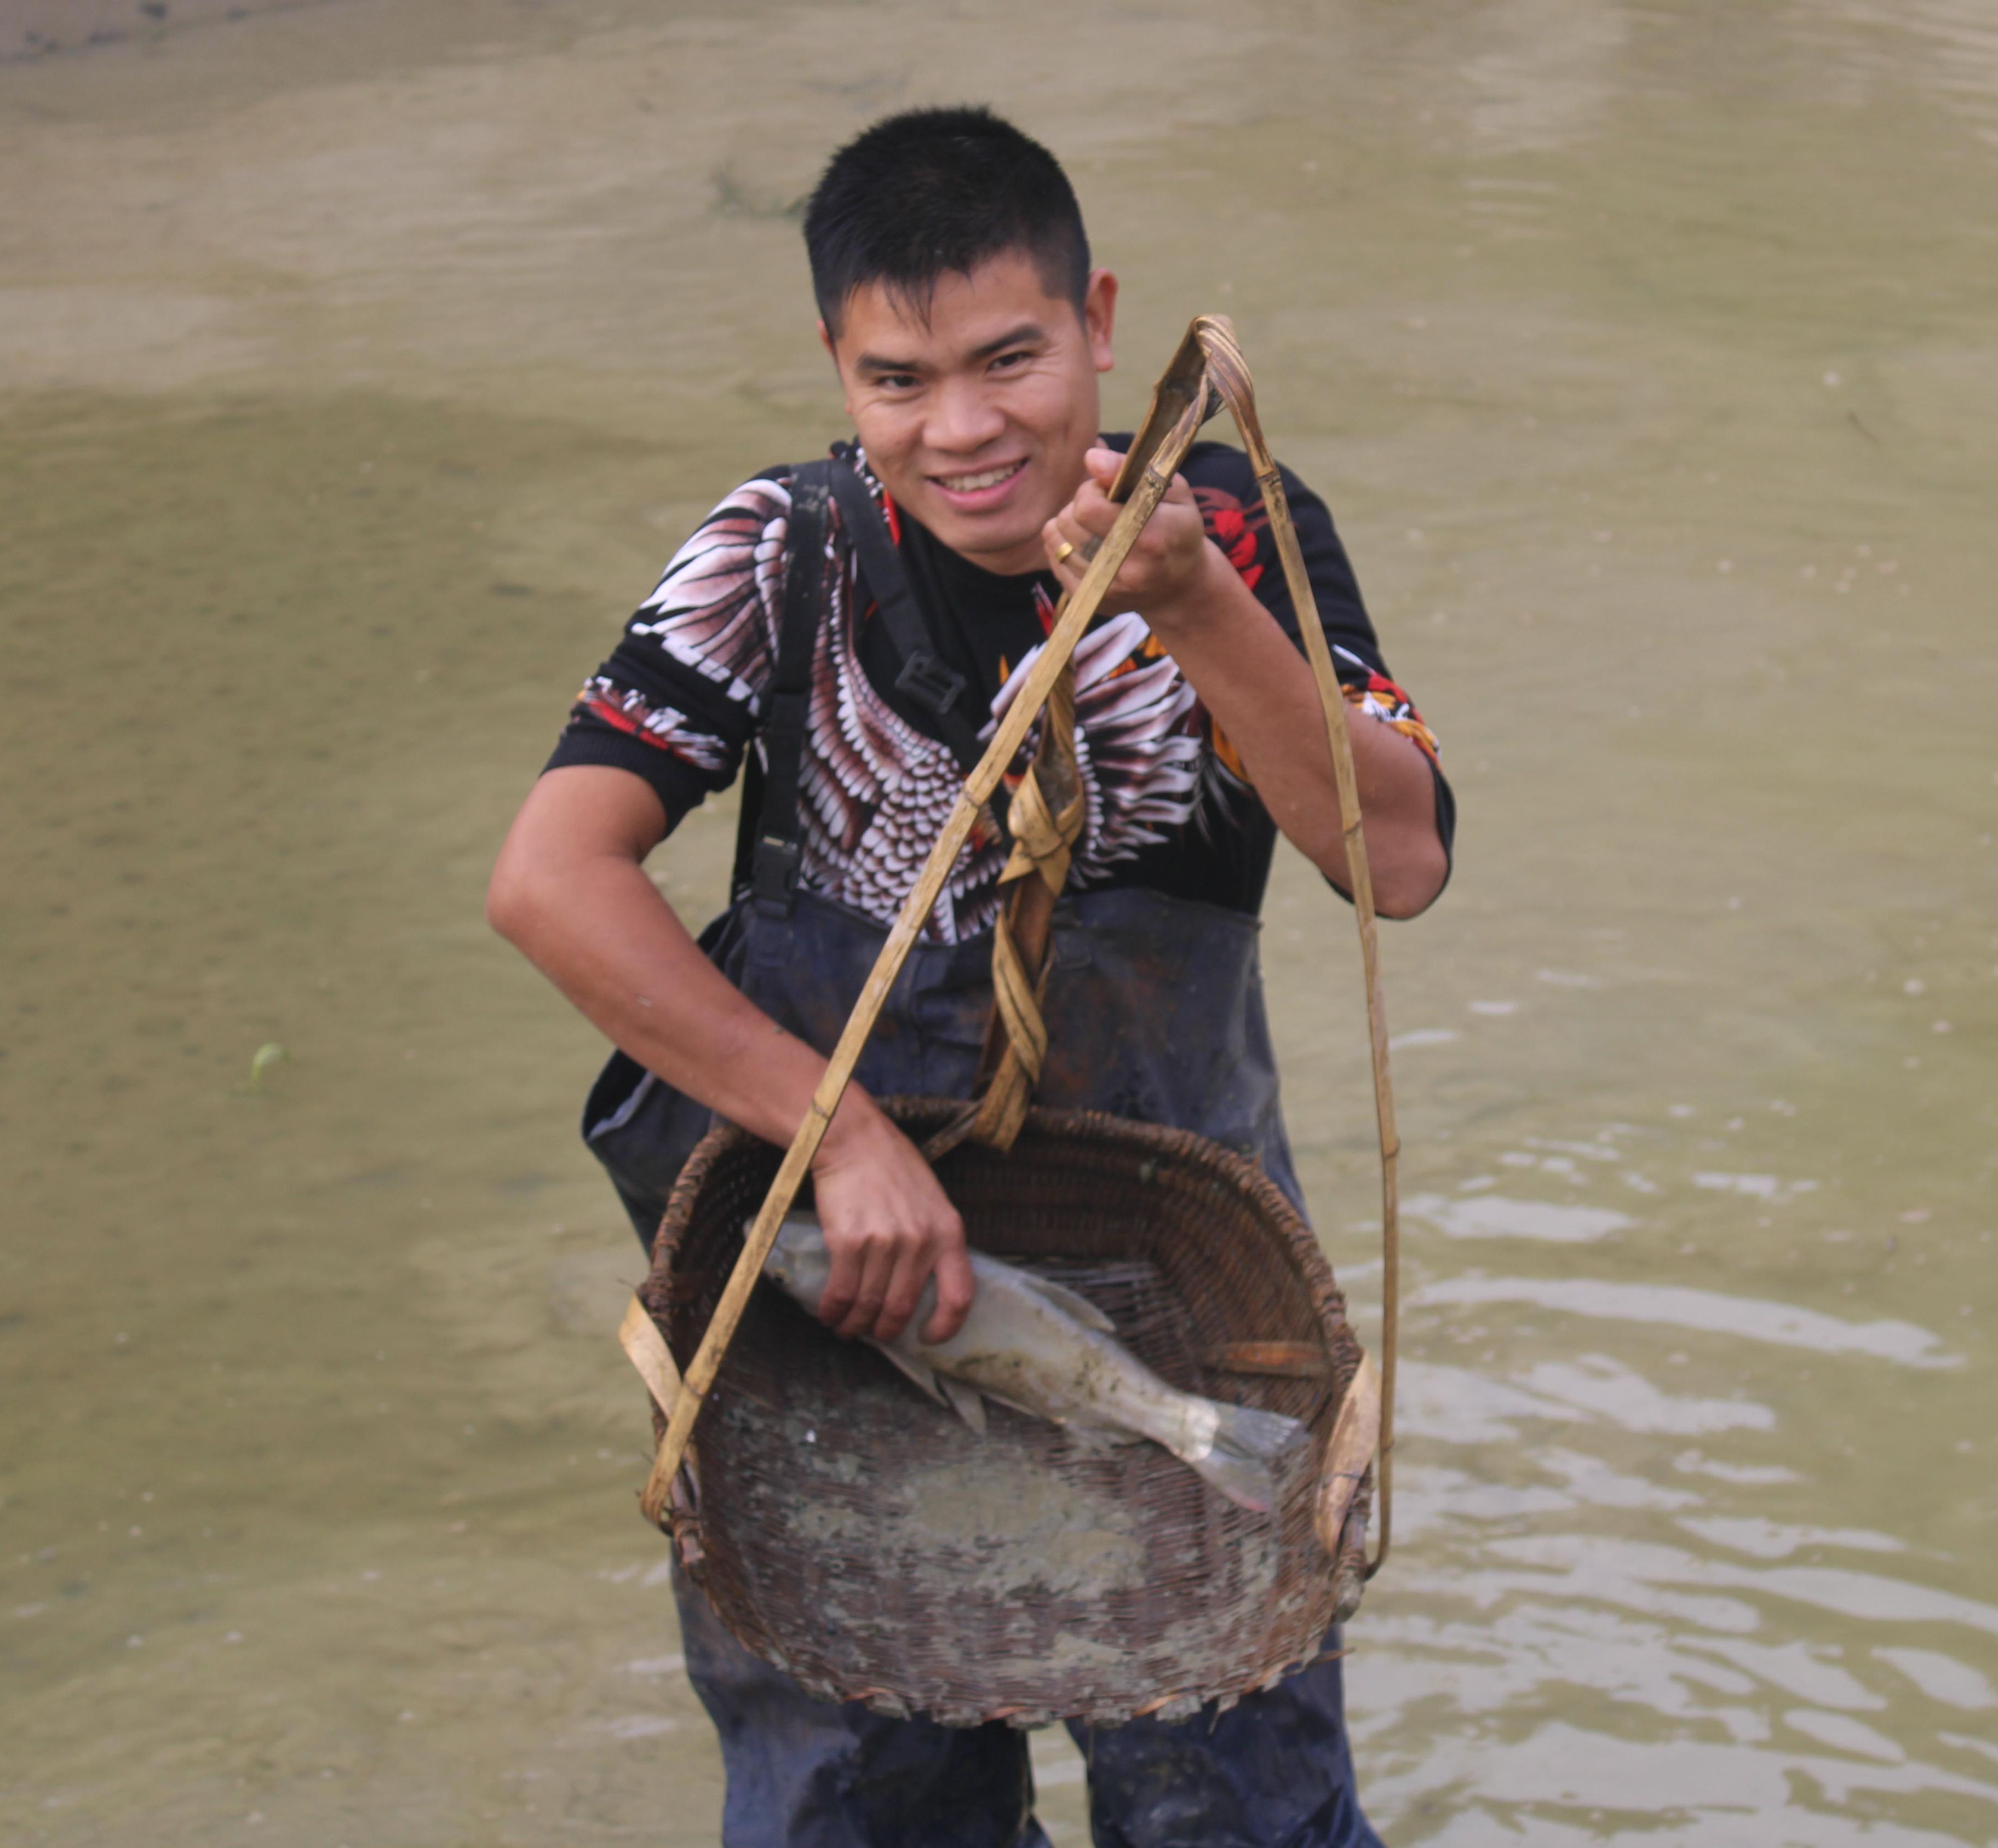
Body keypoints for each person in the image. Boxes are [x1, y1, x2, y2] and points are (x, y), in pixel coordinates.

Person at [487, 105, 1451, 1848]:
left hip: (1184, 1295)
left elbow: (1400, 861)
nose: (964, 429)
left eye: (1010, 360)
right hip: (839, 1327)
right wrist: (838, 1138)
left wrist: (1194, 608)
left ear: (1096, 318)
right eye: (899, 380)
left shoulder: (1229, 524)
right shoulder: (779, 554)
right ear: (837, 369)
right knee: (859, 1805)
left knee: (1231, 1801)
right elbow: (551, 882)